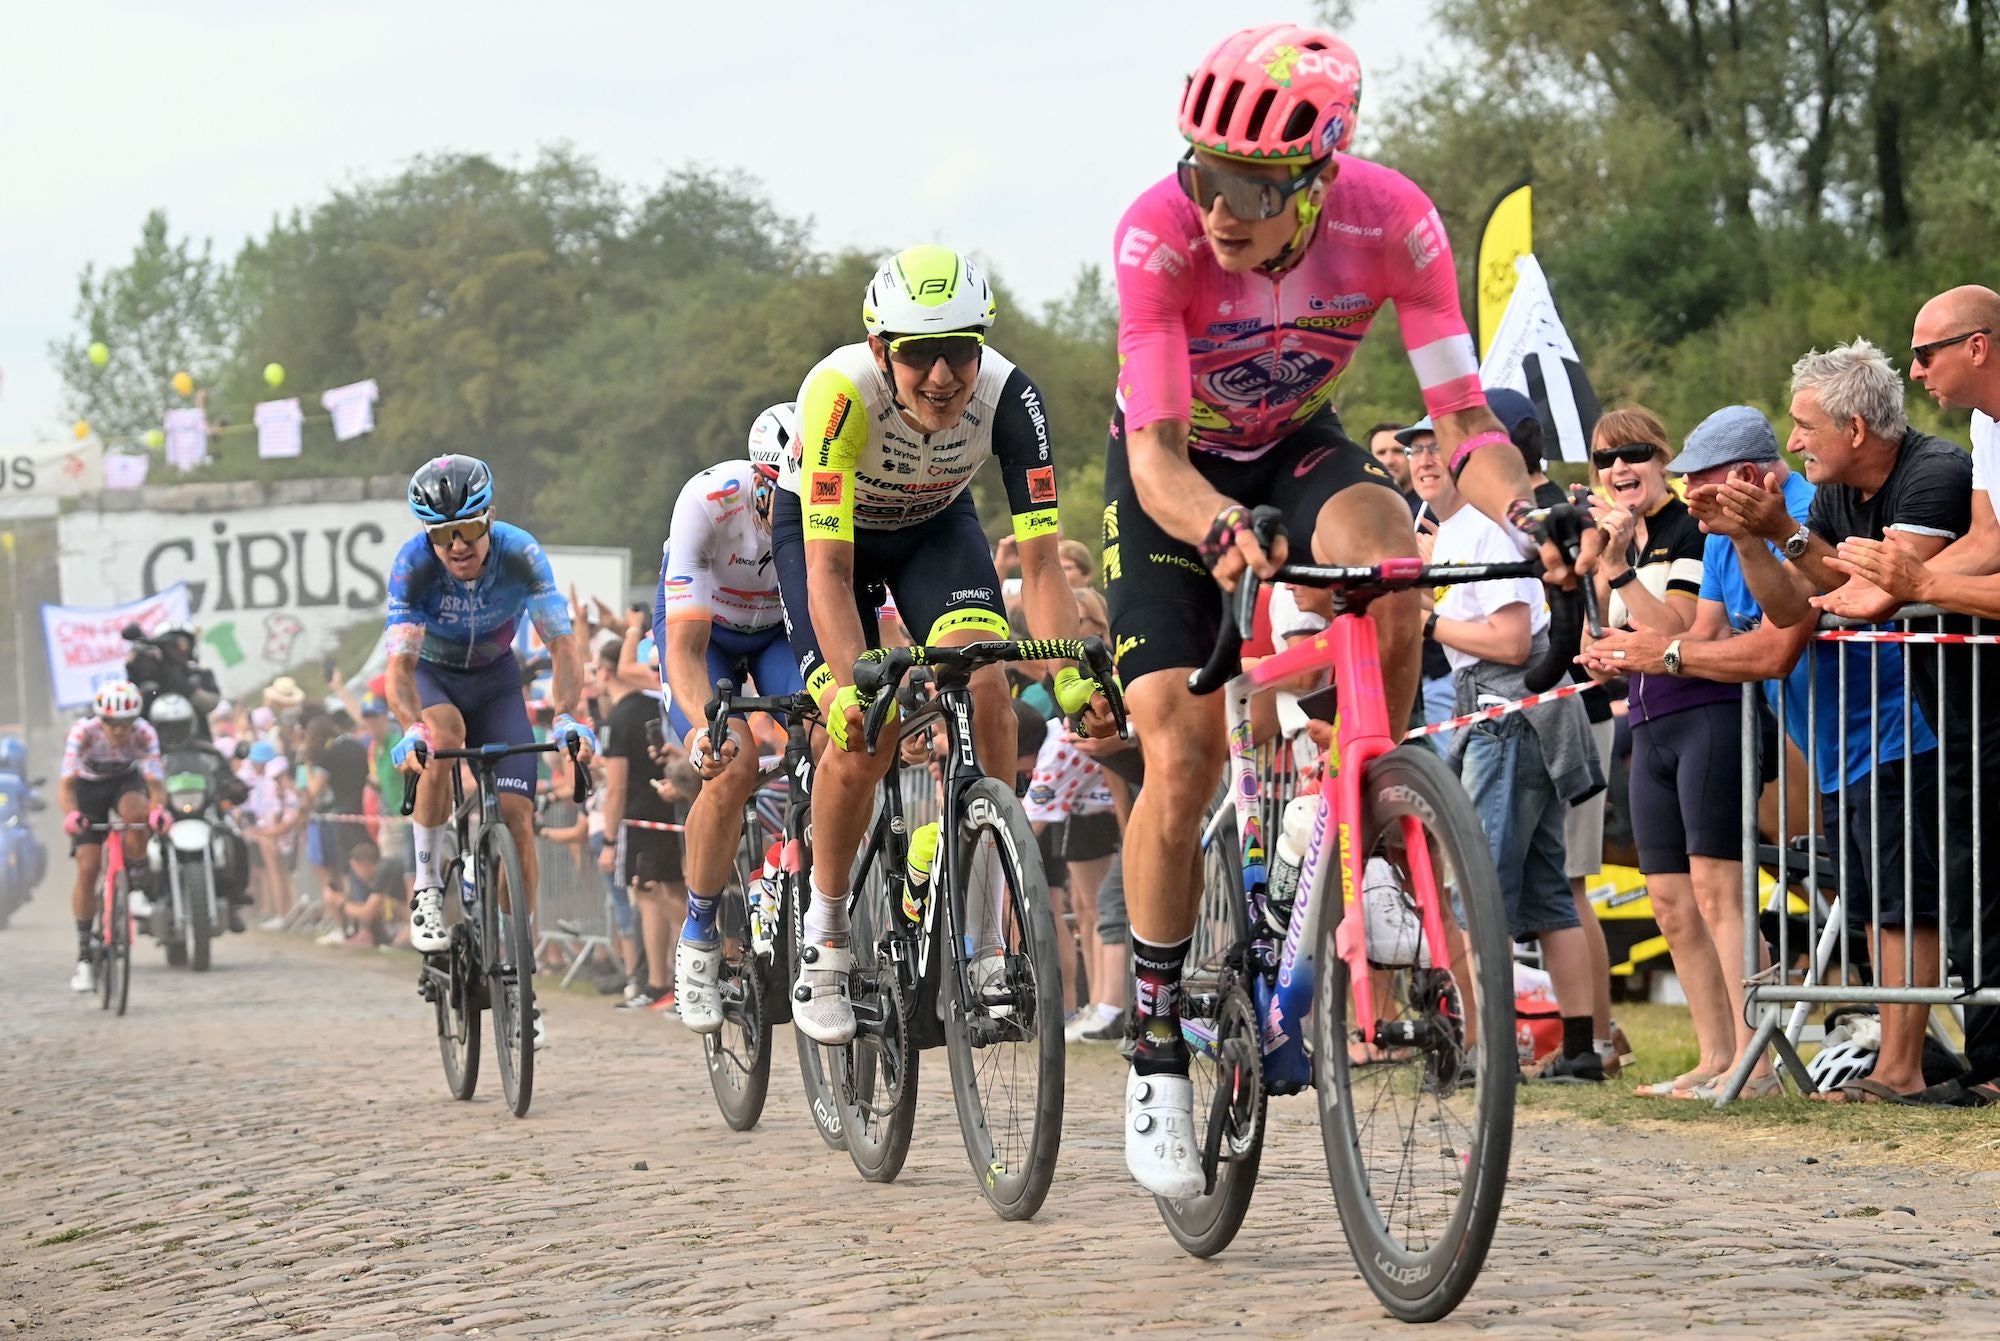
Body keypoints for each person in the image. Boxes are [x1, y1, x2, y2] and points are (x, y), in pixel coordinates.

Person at [1104, 22, 1587, 1196]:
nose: (1218, 209)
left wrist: (1530, 514)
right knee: (1182, 751)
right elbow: (1156, 452)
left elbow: (1462, 423)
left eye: (1251, 187)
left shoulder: (1392, 221)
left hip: (1296, 444)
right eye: (1203, 173)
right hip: (1174, 477)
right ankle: (1155, 1040)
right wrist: (1218, 529)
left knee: (1387, 557)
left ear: (1317, 181)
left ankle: (1364, 814)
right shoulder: (1157, 231)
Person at [771, 244, 1111, 1047]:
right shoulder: (839, 392)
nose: (941, 376)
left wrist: (1070, 674)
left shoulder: (1011, 397)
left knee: (988, 686)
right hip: (833, 542)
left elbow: (1040, 562)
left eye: (959, 350)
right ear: (880, 348)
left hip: (933, 529)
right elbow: (828, 570)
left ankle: (985, 937)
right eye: (918, 354)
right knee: (866, 729)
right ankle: (826, 934)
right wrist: (849, 689)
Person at [1583, 404, 1938, 1098]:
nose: (1689, 491)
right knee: (1690, 901)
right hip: (1821, 740)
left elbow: (1771, 644)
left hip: (1875, 729)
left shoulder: (1801, 513)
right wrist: (1636, 618)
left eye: (1699, 478)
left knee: (1871, 902)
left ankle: (1862, 1065)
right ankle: (1726, 1055)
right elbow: (1708, 634)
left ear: (1744, 475)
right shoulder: (1721, 531)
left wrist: (1665, 651)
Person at [1701, 340, 1970, 1102]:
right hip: (1847, 741)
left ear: (1855, 429)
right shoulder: (1830, 498)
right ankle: (1898, 1058)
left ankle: (1901, 1068)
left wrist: (1786, 533)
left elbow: (1878, 593)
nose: (1793, 441)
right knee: (1875, 900)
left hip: (1909, 724)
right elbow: (1797, 606)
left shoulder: (1934, 470)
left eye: (1804, 425)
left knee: (1903, 902)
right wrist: (1751, 536)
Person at [1818, 291, 2000, 1105]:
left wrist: (1915, 585)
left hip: (1957, 699)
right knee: (1979, 872)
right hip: (1960, 706)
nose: (1916, 370)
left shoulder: (1941, 460)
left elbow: (1938, 572)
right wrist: (1890, 589)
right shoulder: (1987, 427)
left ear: (1979, 346)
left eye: (1926, 353)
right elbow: (1989, 542)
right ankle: (1991, 1061)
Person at [1577, 406, 1774, 1095]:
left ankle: (1757, 1061)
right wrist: (1604, 574)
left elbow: (1680, 630)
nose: (1619, 469)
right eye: (1605, 460)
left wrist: (1621, 572)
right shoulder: (1620, 538)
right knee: (1668, 900)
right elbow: (1599, 637)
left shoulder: (1691, 523)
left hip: (1708, 713)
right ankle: (1715, 1055)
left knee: (1720, 892)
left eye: (1633, 453)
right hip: (1649, 722)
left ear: (1664, 459)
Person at [1413, 420, 1606, 1082]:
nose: (1426, 458)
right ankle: (1578, 1049)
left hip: (1507, 713)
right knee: (1547, 890)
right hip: (1510, 713)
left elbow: (1512, 640)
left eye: (1439, 447)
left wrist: (1428, 621)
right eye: (1417, 448)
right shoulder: (1461, 528)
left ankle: (1489, 1051)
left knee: (1479, 890)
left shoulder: (1486, 529)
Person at [383, 454, 596, 1050]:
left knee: (520, 821)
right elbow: (399, 668)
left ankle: (519, 970)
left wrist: (567, 714)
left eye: (469, 530)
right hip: (435, 680)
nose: (457, 546)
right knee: (443, 737)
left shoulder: (521, 552)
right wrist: (410, 726)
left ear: (491, 519)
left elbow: (562, 646)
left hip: (498, 682)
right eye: (443, 534)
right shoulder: (412, 565)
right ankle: (428, 886)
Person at [657, 403, 805, 1034]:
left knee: (835, 738)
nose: (795, 506)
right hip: (707, 633)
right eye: (783, 493)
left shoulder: (836, 503)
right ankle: (699, 934)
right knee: (733, 761)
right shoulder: (709, 501)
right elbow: (686, 651)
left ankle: (804, 893)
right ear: (759, 479)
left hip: (779, 636)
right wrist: (702, 733)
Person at [57, 681, 171, 990]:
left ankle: (135, 885)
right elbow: (66, 786)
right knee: (88, 866)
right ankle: (84, 956)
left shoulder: (144, 733)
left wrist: (158, 811)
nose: (119, 730)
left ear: (135, 719)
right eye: (111, 722)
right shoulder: (82, 732)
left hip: (125, 783)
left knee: (137, 815)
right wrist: (72, 815)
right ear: (100, 719)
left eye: (126, 722)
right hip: (87, 789)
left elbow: (155, 784)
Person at [596, 634, 685, 1012]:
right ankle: (664, 981)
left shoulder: (617, 719)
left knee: (656, 894)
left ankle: (668, 980)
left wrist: (609, 840)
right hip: (667, 810)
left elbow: (615, 788)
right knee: (662, 892)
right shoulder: (655, 704)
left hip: (641, 816)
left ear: (605, 672)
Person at [126, 622, 222, 736]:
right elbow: (131, 708)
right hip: (155, 740)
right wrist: (134, 672)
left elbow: (210, 704)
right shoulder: (150, 677)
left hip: (197, 739)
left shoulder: (199, 674)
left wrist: (184, 684)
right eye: (171, 645)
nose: (176, 651)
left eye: (182, 644)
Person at [1366, 420, 1417, 510]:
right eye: (1381, 453)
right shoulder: (1364, 508)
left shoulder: (1431, 508)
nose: (1389, 461)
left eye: (1397, 451)